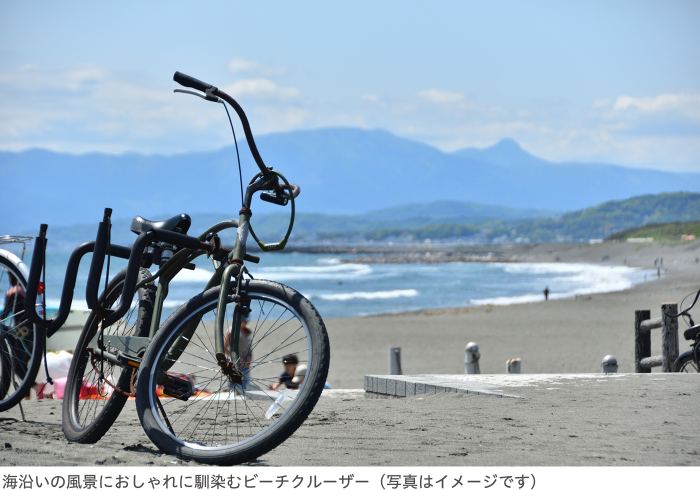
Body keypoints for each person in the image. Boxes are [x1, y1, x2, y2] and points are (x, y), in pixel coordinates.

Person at [224, 313, 253, 391]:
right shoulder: (231, 331)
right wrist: (237, 358)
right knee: (234, 385)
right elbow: (225, 348)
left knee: (245, 385)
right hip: (236, 360)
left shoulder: (247, 331)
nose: (246, 323)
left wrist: (250, 359)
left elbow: (249, 347)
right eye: (243, 321)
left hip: (246, 361)